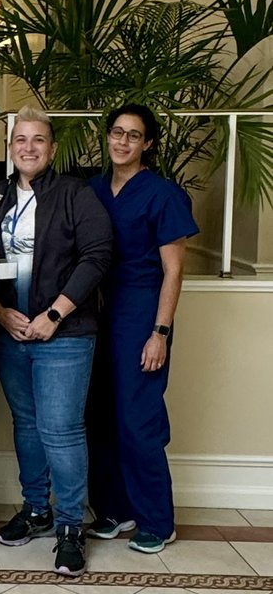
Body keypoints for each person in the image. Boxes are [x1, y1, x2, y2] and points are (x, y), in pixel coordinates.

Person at [0, 107, 113, 578]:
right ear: (10, 149)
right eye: (20, 141)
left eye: (38, 141)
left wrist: (54, 314)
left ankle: (71, 525)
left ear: (51, 150)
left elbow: (97, 257)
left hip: (65, 334)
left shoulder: (76, 194)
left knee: (61, 429)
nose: (28, 148)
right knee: (27, 425)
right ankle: (37, 509)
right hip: (10, 331)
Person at [87, 104, 198, 555]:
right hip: (97, 314)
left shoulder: (163, 194)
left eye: (133, 135)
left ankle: (157, 519)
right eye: (117, 132)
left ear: (147, 144)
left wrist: (161, 332)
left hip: (140, 316)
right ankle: (115, 510)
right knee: (101, 417)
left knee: (138, 420)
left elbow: (174, 272)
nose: (122, 142)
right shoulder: (93, 189)